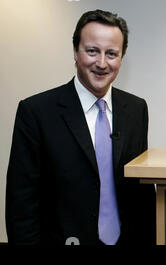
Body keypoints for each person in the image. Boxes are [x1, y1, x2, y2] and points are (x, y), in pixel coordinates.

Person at [5, 9, 155, 245]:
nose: (102, 63)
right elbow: (21, 204)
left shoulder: (136, 109)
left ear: (122, 58)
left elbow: (141, 192)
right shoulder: (36, 112)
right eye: (92, 51)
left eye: (112, 53)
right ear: (76, 52)